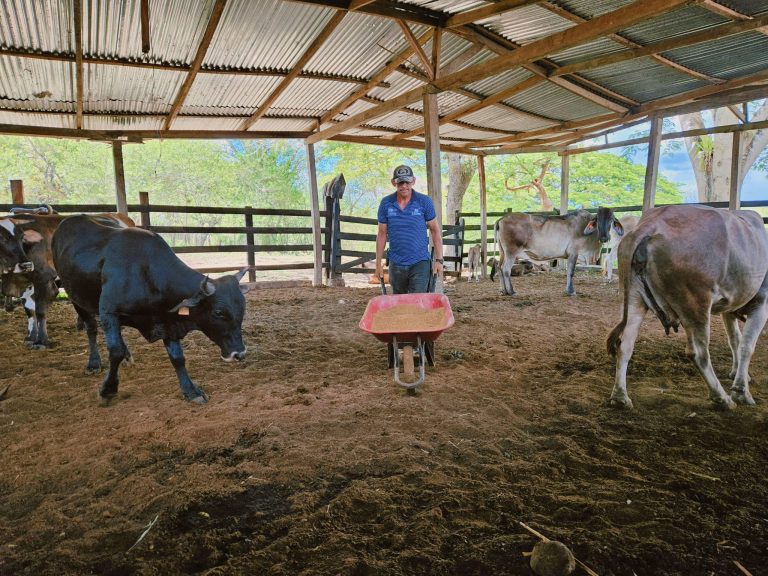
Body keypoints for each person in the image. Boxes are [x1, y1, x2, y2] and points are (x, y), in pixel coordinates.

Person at [375, 165, 444, 294]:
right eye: (400, 182)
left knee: (418, 302)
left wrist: (439, 260)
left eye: (407, 181)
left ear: (413, 181)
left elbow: (435, 230)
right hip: (396, 263)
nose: (404, 186)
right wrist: (378, 263)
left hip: (420, 262)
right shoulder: (386, 203)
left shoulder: (424, 202)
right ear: (394, 183)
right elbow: (382, 233)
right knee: (400, 303)